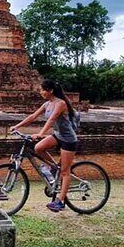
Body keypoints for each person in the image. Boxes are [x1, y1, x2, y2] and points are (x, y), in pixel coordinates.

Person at [10, 79, 80, 212]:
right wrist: (17, 126)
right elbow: (32, 116)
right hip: (58, 135)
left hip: (68, 139)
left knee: (65, 172)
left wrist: (40, 134)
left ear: (51, 90)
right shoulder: (47, 104)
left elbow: (52, 119)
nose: (41, 92)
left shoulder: (61, 103)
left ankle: (60, 201)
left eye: (43, 90)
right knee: (38, 148)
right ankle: (54, 168)